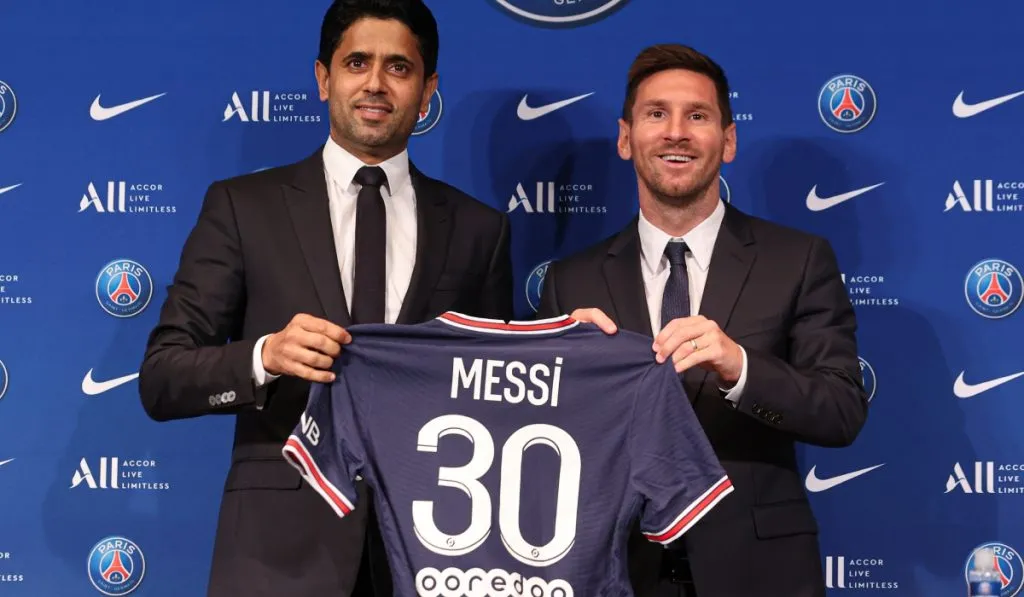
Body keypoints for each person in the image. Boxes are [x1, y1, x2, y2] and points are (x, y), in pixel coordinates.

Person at [137, 1, 513, 596]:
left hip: (430, 554)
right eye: (356, 62)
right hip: (277, 556)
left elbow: (497, 395)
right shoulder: (243, 207)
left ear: (427, 89)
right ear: (323, 79)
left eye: (399, 67)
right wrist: (265, 356)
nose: (375, 84)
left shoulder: (479, 229)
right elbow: (161, 378)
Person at [535, 44, 869, 597]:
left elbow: (842, 410)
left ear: (728, 140)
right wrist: (571, 379)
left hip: (759, 573)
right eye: (656, 114)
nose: (676, 133)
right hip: (615, 570)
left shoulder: (799, 259)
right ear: (625, 137)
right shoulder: (572, 282)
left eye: (698, 116)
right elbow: (545, 443)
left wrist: (739, 367)